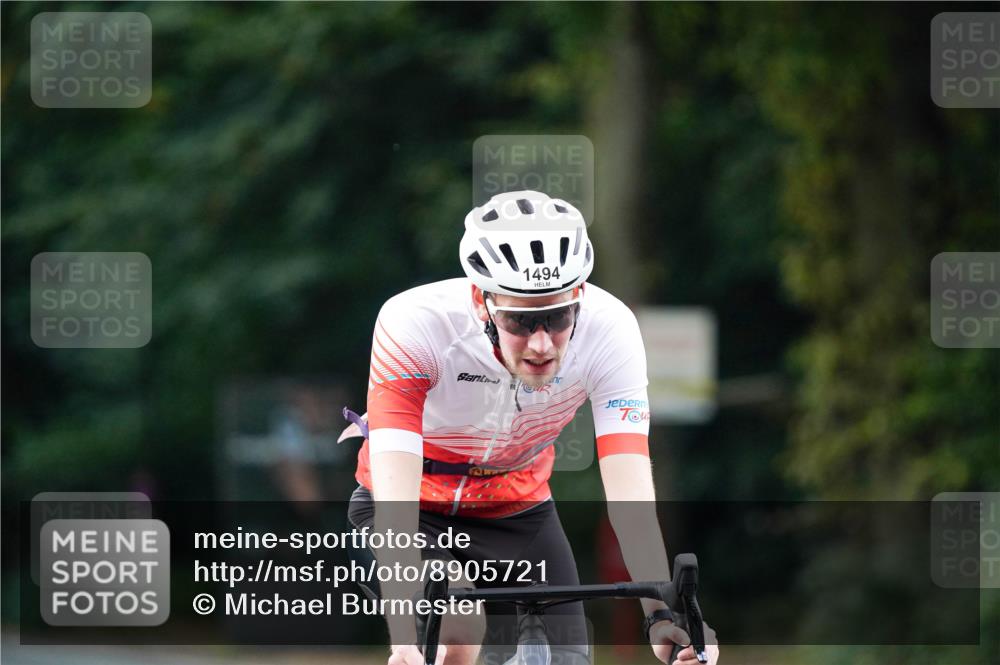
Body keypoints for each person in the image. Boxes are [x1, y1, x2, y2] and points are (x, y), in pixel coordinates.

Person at [343, 190, 719, 665]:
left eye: (558, 318)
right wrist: (404, 643)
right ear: (482, 302)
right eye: (521, 321)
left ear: (579, 300)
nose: (541, 343)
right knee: (457, 623)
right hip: (412, 508)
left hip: (518, 508)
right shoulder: (415, 325)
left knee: (568, 658)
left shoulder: (612, 332)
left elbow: (631, 499)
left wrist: (662, 614)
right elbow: (396, 505)